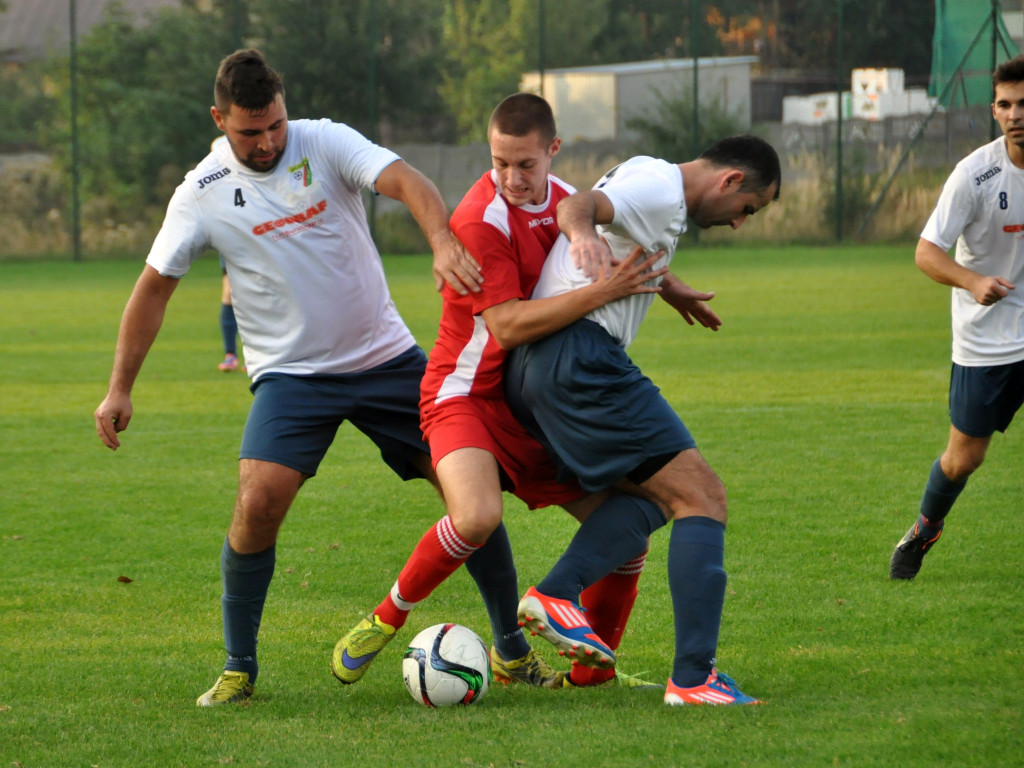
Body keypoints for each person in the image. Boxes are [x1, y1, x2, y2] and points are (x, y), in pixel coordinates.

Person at [91, 48, 523, 708]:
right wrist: (120, 386)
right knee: (258, 502)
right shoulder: (201, 193)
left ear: (285, 107)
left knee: (469, 490)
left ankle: (513, 651)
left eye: (274, 127)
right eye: (248, 132)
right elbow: (153, 290)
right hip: (292, 378)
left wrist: (440, 237)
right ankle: (239, 668)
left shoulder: (323, 141)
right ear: (219, 119)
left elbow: (408, 181)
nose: (266, 143)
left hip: (386, 359)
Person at [331, 93, 675, 691]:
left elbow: (606, 254)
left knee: (630, 527)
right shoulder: (478, 218)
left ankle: (591, 682)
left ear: (553, 151)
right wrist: (603, 294)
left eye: (525, 165)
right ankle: (388, 617)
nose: (512, 178)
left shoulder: (568, 201)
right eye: (499, 163)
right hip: (462, 394)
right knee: (477, 515)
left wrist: (669, 285)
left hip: (533, 404)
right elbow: (509, 324)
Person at [504, 135, 781, 705]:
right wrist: (581, 236)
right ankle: (693, 679)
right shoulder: (660, 189)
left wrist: (669, 286)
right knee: (703, 497)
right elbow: (577, 207)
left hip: (542, 366)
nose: (738, 223)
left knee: (657, 498)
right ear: (730, 180)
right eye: (747, 208)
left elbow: (626, 231)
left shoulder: (651, 175)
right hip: (579, 356)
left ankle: (557, 592)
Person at [889, 56, 1023, 580]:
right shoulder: (975, 174)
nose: (1015, 114)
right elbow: (927, 252)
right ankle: (925, 528)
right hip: (985, 340)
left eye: (1023, 104)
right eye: (1005, 104)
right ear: (993, 111)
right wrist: (973, 282)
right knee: (964, 459)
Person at [216, 255, 243, 372]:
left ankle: (259, 354)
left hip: (261, 241)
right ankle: (230, 355)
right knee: (229, 292)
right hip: (233, 240)